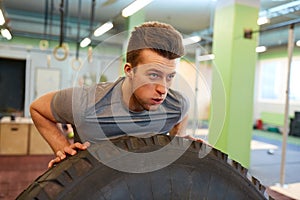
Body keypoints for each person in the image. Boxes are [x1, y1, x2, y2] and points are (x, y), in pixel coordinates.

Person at [30, 21, 189, 168]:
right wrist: (63, 149)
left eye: (170, 77)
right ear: (129, 71)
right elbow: (37, 109)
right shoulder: (86, 102)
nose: (163, 89)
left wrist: (177, 142)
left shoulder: (175, 104)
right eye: (153, 75)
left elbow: (183, 112)